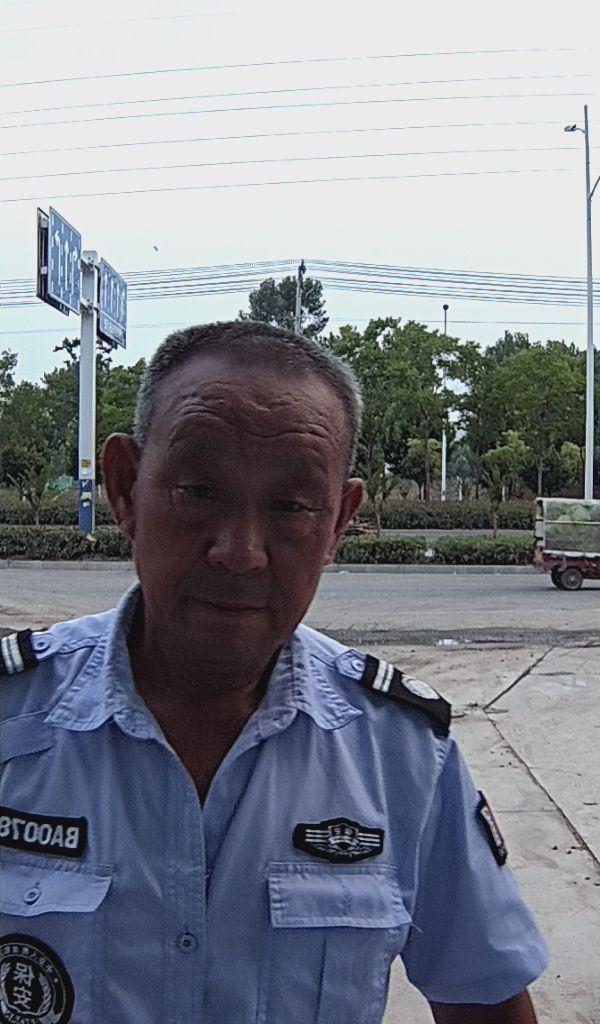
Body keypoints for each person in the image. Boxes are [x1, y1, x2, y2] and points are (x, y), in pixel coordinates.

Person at [0, 321, 548, 1024]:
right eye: (199, 491)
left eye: (290, 506)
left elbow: (485, 998)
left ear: (338, 521)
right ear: (126, 488)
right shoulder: (13, 722)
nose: (241, 553)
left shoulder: (401, 756)